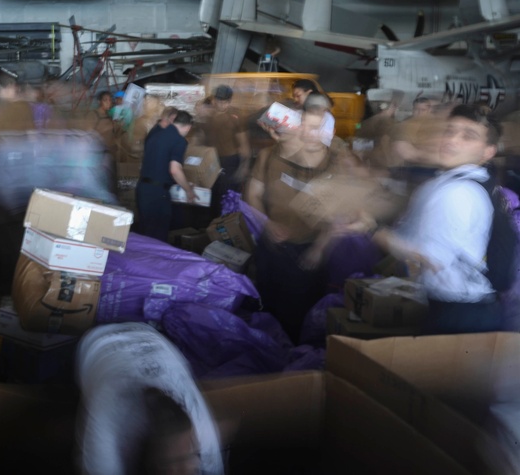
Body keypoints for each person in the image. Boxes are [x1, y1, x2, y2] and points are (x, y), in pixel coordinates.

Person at [358, 105, 506, 334]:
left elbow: (430, 258)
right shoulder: (451, 182)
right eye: (450, 131)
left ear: (488, 152)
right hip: (461, 308)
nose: (452, 140)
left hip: (460, 314)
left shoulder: (458, 192)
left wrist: (372, 230)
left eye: (468, 136)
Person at [76, 323, 224, 475]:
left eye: (190, 455)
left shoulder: (205, 441)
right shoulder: (107, 424)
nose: (185, 469)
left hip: (149, 335)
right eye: (173, 462)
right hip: (99, 340)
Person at [244, 109, 341, 342]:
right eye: (304, 125)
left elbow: (340, 214)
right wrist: (267, 223)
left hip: (309, 252)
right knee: (268, 305)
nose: (308, 132)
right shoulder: (270, 155)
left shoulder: (336, 164)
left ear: (328, 133)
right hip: (272, 248)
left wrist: (319, 248)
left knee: (301, 316)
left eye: (316, 127)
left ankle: (298, 364)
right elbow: (252, 194)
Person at [136, 110, 196, 242]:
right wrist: (188, 190)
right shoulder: (179, 140)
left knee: (145, 234)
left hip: (142, 189)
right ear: (188, 127)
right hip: (158, 194)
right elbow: (175, 170)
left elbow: (159, 164)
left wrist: (182, 183)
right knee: (157, 238)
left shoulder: (155, 134)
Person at [204, 85, 250, 191]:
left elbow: (243, 143)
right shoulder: (207, 115)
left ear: (229, 101)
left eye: (225, 102)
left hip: (229, 161)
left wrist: (244, 166)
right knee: (211, 191)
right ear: (214, 100)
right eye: (219, 101)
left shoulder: (236, 117)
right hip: (210, 158)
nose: (222, 105)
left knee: (226, 193)